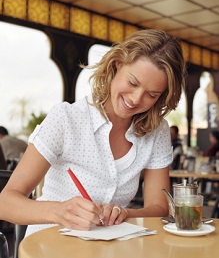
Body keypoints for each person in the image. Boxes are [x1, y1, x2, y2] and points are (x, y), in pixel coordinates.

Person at [0, 29, 186, 236]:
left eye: (151, 95)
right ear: (117, 66)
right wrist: (59, 211)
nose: (135, 99)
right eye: (132, 83)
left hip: (112, 251)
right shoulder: (66, 119)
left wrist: (124, 213)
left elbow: (158, 208)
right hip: (50, 248)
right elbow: (5, 202)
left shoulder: (157, 131)